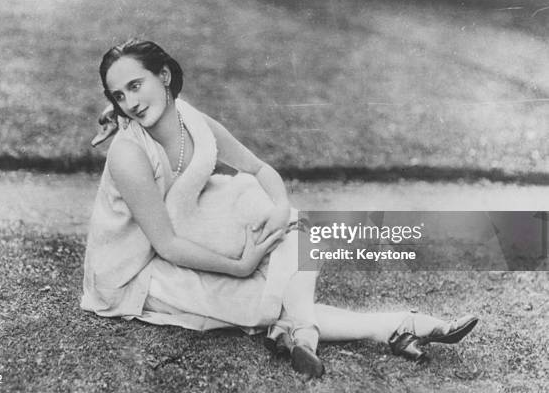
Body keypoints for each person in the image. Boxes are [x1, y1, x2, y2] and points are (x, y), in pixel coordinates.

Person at [81, 39, 478, 378]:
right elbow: (165, 244)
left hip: (184, 232)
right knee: (259, 300)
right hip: (137, 270)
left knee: (295, 230)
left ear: (164, 76)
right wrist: (240, 265)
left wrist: (281, 205)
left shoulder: (192, 121)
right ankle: (398, 326)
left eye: (136, 85)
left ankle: (304, 333)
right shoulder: (129, 154)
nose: (130, 102)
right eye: (119, 96)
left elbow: (258, 169)